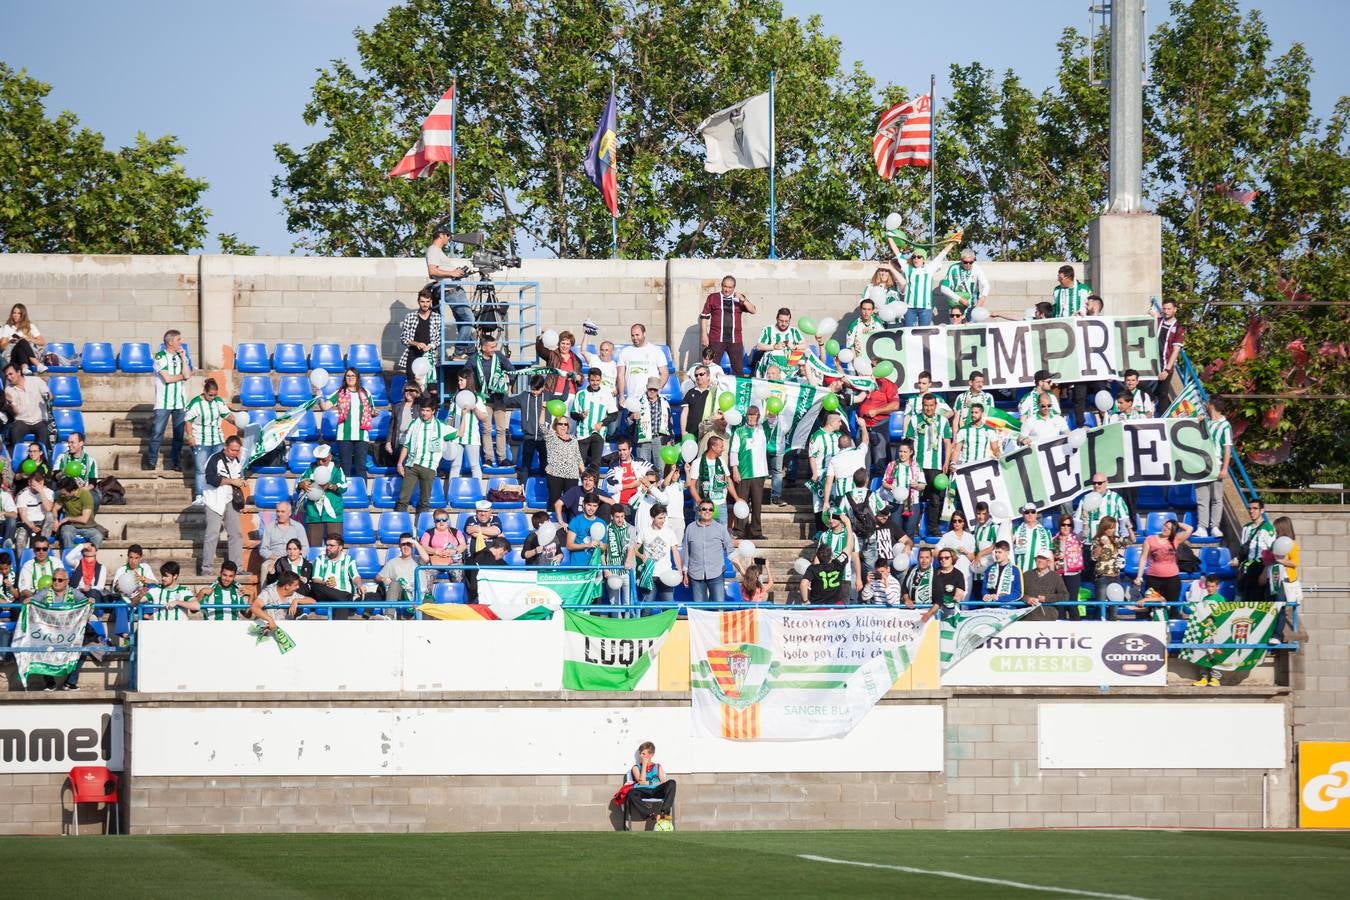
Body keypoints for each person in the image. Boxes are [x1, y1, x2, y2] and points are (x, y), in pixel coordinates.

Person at [28, 569, 91, 690]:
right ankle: (50, 683)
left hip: (69, 634)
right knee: (40, 648)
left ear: (66, 582)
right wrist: (30, 601)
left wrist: (90, 601)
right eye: (54, 579)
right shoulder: (46, 592)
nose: (56, 582)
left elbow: (85, 603)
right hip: (49, 634)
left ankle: (70, 682)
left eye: (60, 580)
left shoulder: (74, 592)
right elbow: (34, 601)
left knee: (84, 650)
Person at [183, 377, 240, 507]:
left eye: (215, 395)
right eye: (210, 395)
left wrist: (237, 421)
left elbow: (227, 416)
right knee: (201, 469)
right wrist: (190, 436)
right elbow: (188, 421)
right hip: (201, 441)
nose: (212, 397)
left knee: (220, 468)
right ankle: (199, 495)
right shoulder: (195, 403)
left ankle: (218, 493)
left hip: (217, 440)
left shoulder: (218, 402)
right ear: (204, 391)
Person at [903, 395, 952, 538]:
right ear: (922, 405)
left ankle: (933, 527)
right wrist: (909, 463)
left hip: (935, 465)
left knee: (935, 498)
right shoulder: (914, 419)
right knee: (913, 497)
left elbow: (947, 443)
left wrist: (946, 462)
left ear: (936, 405)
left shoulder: (943, 421)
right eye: (926, 405)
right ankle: (913, 528)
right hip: (918, 466)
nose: (928, 408)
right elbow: (909, 443)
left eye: (931, 405)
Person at [465, 334, 514, 468]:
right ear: (484, 347)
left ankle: (502, 458)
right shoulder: (474, 359)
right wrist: (473, 393)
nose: (494, 349)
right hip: (484, 399)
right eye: (491, 347)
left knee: (501, 429)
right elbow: (465, 375)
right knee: (486, 429)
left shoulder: (499, 356)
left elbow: (511, 371)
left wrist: (508, 386)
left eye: (495, 346)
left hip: (499, 399)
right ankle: (488, 459)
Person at [144, 329, 191, 471]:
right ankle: (151, 462)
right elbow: (168, 379)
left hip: (180, 402)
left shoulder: (181, 356)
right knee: (157, 433)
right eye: (178, 339)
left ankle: (175, 462)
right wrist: (182, 376)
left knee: (178, 436)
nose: (181, 342)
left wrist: (183, 358)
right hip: (163, 403)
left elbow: (188, 374)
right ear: (170, 342)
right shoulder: (159, 357)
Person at [397, 397, 453, 514]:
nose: (424, 413)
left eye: (427, 410)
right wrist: (399, 463)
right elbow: (406, 445)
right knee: (403, 499)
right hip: (412, 464)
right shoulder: (414, 423)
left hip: (429, 466)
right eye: (423, 410)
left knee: (425, 501)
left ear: (433, 411)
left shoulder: (441, 426)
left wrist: (464, 415)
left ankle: (422, 527)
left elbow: (459, 433)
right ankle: (400, 526)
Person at [424, 226, 473, 359]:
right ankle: (459, 353)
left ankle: (470, 351)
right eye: (448, 235)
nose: (449, 238)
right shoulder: (433, 250)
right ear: (441, 235)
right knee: (469, 319)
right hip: (450, 290)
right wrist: (452, 273)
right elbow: (432, 271)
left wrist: (455, 273)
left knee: (463, 322)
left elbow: (440, 271)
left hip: (453, 288)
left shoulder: (438, 251)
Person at [887, 237, 957, 327]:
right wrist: (890, 238)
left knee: (924, 333)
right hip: (909, 308)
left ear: (923, 259)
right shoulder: (908, 268)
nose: (916, 259)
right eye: (914, 257)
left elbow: (942, 255)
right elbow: (897, 252)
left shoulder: (929, 268)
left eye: (919, 257)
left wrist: (952, 243)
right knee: (909, 333)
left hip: (925, 308)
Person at [200, 435, 245, 578]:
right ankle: (206, 569)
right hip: (214, 501)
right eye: (232, 450)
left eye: (237, 450)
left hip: (230, 499)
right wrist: (233, 481)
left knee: (236, 534)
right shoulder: (215, 459)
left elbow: (238, 477)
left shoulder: (238, 460)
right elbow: (211, 479)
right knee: (211, 535)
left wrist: (240, 482)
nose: (235, 453)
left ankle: (237, 567)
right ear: (225, 447)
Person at [318, 367, 374, 480]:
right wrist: (319, 396)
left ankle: (361, 494)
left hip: (362, 435)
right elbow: (324, 407)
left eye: (353, 376)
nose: (350, 378)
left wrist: (374, 413)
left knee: (361, 468)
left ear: (357, 378)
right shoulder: (340, 393)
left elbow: (371, 410)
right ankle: (345, 494)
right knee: (345, 467)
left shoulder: (365, 392)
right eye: (348, 376)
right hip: (344, 436)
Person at [1137, 518, 1193, 618]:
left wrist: (1176, 523)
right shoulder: (1150, 539)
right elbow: (1143, 558)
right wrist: (1139, 577)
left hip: (1172, 580)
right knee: (1153, 608)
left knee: (1172, 608)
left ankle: (1172, 631)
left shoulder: (1175, 539)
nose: (1165, 529)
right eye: (1165, 526)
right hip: (1153, 578)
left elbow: (1189, 529)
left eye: (1169, 528)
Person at [700, 275, 756, 376]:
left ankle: (736, 391)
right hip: (716, 338)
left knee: (738, 370)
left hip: (735, 340)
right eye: (725, 286)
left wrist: (743, 299)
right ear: (721, 286)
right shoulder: (713, 297)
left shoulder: (739, 298)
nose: (727, 289)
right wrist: (704, 335)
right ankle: (711, 390)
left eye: (730, 287)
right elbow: (704, 316)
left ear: (734, 287)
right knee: (711, 368)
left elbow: (753, 310)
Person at [728, 406, 769, 540]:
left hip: (759, 473)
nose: (752, 417)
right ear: (746, 416)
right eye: (749, 415)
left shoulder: (763, 430)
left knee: (757, 504)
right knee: (741, 503)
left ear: (758, 416)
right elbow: (733, 451)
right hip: (744, 473)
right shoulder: (739, 431)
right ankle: (739, 530)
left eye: (754, 415)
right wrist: (735, 469)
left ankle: (756, 531)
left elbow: (774, 420)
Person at [681, 499, 733, 603]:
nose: (707, 511)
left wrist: (741, 568)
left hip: (716, 573)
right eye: (704, 509)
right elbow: (686, 551)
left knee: (719, 607)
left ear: (713, 512)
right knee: (700, 610)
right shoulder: (690, 528)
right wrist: (684, 573)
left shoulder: (721, 528)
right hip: (696, 574)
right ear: (699, 511)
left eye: (710, 509)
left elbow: (730, 550)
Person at [1196, 398, 1233, 538]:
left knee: (1217, 497)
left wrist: (1224, 468)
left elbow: (1227, 449)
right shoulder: (1205, 421)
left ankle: (1215, 526)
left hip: (1216, 464)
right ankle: (1202, 527)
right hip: (1201, 464)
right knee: (1202, 497)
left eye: (1207, 403)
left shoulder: (1225, 425)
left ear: (1212, 405)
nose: (1205, 405)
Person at [570, 367, 617, 471]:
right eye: (592, 380)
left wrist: (602, 423)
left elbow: (614, 414)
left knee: (595, 465)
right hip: (583, 433)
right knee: (580, 464)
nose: (595, 383)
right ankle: (579, 486)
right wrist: (580, 416)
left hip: (598, 433)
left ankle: (594, 487)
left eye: (597, 380)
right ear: (588, 379)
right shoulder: (580, 394)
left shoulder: (606, 394)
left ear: (600, 380)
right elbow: (573, 413)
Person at [506, 375, 551, 484]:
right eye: (532, 389)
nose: (534, 392)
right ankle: (524, 488)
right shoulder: (524, 396)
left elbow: (563, 397)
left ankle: (544, 488)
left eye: (537, 390)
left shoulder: (548, 396)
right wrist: (508, 385)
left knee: (544, 465)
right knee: (526, 465)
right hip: (529, 437)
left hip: (543, 438)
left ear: (543, 387)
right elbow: (506, 400)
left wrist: (568, 381)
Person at [634, 504, 681, 606]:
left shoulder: (669, 532)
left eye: (664, 518)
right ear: (652, 517)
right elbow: (634, 550)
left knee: (669, 606)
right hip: (650, 575)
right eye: (660, 518)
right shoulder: (644, 531)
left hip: (666, 575)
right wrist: (641, 556)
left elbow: (675, 552)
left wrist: (680, 570)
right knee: (646, 606)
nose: (663, 521)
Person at [624, 740, 677, 829]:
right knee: (631, 793)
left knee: (672, 782)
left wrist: (649, 783)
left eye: (644, 754)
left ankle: (664, 813)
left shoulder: (657, 766)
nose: (641, 756)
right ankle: (650, 814)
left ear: (651, 754)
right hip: (642, 791)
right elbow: (641, 782)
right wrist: (644, 765)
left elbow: (663, 782)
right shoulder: (636, 767)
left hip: (656, 790)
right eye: (641, 753)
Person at [310, 534, 364, 620]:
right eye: (327, 545)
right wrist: (325, 583)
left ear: (340, 547)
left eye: (331, 545)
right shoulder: (320, 559)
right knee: (315, 586)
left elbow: (356, 577)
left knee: (341, 603)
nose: (328, 548)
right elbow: (316, 579)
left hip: (341, 596)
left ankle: (344, 599)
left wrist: (359, 585)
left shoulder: (349, 560)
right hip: (327, 595)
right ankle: (347, 597)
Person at [397, 285, 443, 385]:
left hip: (430, 355)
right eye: (422, 301)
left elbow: (440, 338)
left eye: (427, 301)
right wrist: (416, 343)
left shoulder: (437, 317)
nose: (425, 304)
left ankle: (430, 400)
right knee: (412, 384)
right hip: (413, 354)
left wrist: (431, 346)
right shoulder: (410, 316)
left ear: (431, 302)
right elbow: (403, 337)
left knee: (432, 386)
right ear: (418, 302)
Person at [616, 324, 668, 410]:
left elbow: (664, 373)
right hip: (632, 399)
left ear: (644, 334)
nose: (635, 338)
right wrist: (621, 395)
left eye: (637, 335)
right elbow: (620, 375)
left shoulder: (655, 350)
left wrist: (657, 390)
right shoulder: (625, 352)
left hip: (651, 400)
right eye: (632, 335)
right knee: (632, 422)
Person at [856, 370, 899, 476]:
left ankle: (881, 490)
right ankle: (864, 490)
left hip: (879, 426)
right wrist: (838, 365)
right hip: (863, 426)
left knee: (880, 463)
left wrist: (877, 411)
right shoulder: (863, 381)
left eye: (874, 367)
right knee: (862, 464)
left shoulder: (888, 384)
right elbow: (847, 381)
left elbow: (895, 405)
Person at [882, 441, 926, 543]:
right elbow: (884, 483)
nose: (902, 454)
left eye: (905, 452)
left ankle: (907, 556)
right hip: (895, 503)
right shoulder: (892, 465)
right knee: (896, 532)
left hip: (912, 502)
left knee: (909, 532)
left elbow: (923, 485)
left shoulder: (916, 466)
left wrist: (917, 485)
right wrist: (891, 487)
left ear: (911, 452)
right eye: (900, 451)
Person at [376, 534, 429, 615]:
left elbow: (426, 558)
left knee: (429, 604)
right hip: (403, 594)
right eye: (403, 544)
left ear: (412, 545)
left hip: (420, 594)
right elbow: (378, 577)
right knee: (394, 584)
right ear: (399, 546)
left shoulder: (418, 560)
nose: (406, 547)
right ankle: (389, 616)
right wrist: (384, 579)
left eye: (408, 544)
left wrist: (415, 542)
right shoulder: (393, 562)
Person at [109, 545, 154, 640]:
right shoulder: (121, 570)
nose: (133, 561)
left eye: (136, 558)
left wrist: (144, 579)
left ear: (141, 558)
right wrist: (118, 588)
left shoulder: (145, 568)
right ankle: (124, 634)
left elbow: (156, 584)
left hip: (142, 600)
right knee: (119, 604)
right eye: (131, 557)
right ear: (127, 557)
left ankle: (146, 615)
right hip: (127, 600)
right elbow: (114, 591)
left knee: (152, 591)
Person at [543, 416, 586, 514]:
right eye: (560, 424)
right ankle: (553, 524)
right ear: (555, 425)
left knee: (570, 503)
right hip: (555, 474)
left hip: (572, 475)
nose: (563, 426)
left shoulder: (574, 439)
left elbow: (578, 457)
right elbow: (542, 426)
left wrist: (584, 473)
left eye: (565, 424)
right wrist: (542, 410)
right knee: (554, 500)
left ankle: (568, 525)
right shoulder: (551, 436)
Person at [4, 362, 52, 450]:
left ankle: (43, 459)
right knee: (15, 430)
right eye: (7, 376)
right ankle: (18, 458)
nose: (9, 377)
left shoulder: (36, 381)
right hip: (22, 421)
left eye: (11, 374)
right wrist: (10, 403)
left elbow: (49, 396)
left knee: (44, 431)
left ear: (19, 372)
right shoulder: (8, 390)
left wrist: (48, 396)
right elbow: (15, 413)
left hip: (39, 420)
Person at [1234, 498, 1275, 602]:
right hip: (1246, 568)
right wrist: (1237, 560)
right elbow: (1243, 549)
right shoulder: (1246, 528)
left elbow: (1272, 552)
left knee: (1257, 601)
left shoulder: (1268, 528)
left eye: (1255, 508)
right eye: (1250, 508)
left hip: (1259, 568)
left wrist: (1265, 573)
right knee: (1242, 600)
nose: (1251, 511)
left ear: (1262, 510)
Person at [1076, 473, 1134, 544]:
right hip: (1089, 543)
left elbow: (1124, 521)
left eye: (1099, 483)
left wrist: (1123, 538)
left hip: (1110, 543)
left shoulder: (1116, 498)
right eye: (1094, 483)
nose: (1096, 485)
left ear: (1106, 482)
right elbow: (1077, 522)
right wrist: (1077, 541)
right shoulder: (1085, 499)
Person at [1269, 515, 1301, 641]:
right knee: (1271, 606)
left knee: (1280, 605)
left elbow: (1295, 563)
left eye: (1277, 529)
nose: (1276, 532)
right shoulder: (1276, 543)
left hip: (1285, 581)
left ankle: (1277, 635)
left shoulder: (1292, 545)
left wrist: (1281, 561)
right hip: (1274, 578)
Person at [1089, 516, 1128, 620]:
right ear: (1103, 528)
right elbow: (1094, 557)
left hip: (1116, 576)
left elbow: (1131, 540)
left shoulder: (1116, 540)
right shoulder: (1097, 540)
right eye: (1109, 528)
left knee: (1114, 608)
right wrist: (1102, 545)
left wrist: (1129, 528)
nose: (1112, 530)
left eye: (1113, 527)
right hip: (1103, 578)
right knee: (1100, 606)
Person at [259, 501, 307, 581]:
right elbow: (263, 549)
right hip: (274, 559)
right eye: (278, 511)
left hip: (293, 558)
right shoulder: (270, 527)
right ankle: (265, 592)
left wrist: (295, 558)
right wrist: (275, 558)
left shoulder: (298, 527)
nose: (279, 514)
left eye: (282, 512)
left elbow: (305, 548)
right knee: (265, 567)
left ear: (289, 513)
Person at [631, 377, 672, 472]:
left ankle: (661, 486)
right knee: (643, 469)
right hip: (643, 440)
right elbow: (627, 422)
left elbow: (670, 422)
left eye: (655, 389)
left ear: (658, 390)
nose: (652, 391)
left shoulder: (665, 402)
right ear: (646, 388)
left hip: (660, 439)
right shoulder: (638, 401)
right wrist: (632, 417)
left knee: (661, 468)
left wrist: (670, 439)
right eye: (650, 389)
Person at [1051, 513, 1086, 619]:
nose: (1066, 527)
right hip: (1059, 574)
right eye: (1063, 524)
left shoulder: (1076, 538)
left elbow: (1085, 534)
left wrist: (1085, 521)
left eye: (1068, 525)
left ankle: (1076, 624)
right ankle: (1060, 624)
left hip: (1073, 573)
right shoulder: (1054, 539)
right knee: (1060, 601)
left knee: (1072, 601)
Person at [53, 432, 100, 506]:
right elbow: (55, 477)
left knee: (95, 499)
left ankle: (88, 517)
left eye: (72, 442)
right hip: (64, 489)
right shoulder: (61, 457)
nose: (69, 445)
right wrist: (63, 472)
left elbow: (93, 483)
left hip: (83, 489)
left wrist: (81, 490)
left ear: (81, 443)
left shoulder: (91, 460)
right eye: (68, 442)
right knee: (54, 495)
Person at [939, 248, 992, 315]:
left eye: (971, 262)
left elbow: (986, 285)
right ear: (961, 260)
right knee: (956, 325)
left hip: (972, 306)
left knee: (972, 325)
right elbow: (943, 288)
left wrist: (982, 298)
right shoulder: (953, 268)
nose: (968, 264)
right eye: (965, 262)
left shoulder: (977, 268)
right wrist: (960, 299)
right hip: (956, 307)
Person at [535, 329, 586, 397]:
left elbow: (580, 380)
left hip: (571, 394)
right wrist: (541, 336)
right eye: (563, 343)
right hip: (553, 392)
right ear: (559, 343)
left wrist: (579, 378)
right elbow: (540, 349)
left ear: (571, 345)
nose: (565, 346)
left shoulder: (577, 360)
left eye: (568, 344)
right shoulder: (552, 355)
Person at [55, 477, 102, 549]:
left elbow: (84, 519)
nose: (62, 496)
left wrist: (68, 518)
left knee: (98, 536)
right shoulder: (62, 496)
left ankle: (89, 556)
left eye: (64, 494)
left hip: (87, 526)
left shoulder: (85, 495)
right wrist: (55, 520)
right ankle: (69, 555)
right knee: (67, 534)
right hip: (70, 526)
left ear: (73, 490)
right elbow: (54, 509)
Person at [420, 510, 468, 580]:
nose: (441, 522)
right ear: (434, 521)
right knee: (426, 576)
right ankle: (426, 591)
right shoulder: (428, 533)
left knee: (458, 574)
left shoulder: (456, 532)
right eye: (438, 520)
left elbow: (463, 545)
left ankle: (458, 590)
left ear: (448, 521)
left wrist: (455, 551)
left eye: (444, 519)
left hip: (453, 562)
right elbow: (423, 547)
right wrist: (436, 551)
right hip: (435, 563)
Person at [14, 469, 53, 554]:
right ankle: (21, 560)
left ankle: (44, 542)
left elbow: (48, 509)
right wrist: (31, 526)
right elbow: (23, 516)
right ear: (29, 483)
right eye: (36, 483)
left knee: (50, 515)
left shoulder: (48, 492)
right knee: (20, 537)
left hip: (43, 522)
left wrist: (41, 492)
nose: (38, 486)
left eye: (40, 483)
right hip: (28, 522)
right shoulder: (22, 495)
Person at [936, 511, 976, 594]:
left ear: (963, 522)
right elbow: (936, 552)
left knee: (965, 599)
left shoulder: (970, 537)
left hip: (966, 571)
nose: (957, 523)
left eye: (959, 521)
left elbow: (973, 558)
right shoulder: (947, 536)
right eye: (954, 521)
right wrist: (949, 553)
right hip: (952, 572)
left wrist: (966, 552)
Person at [0, 302, 46, 374]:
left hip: (27, 355)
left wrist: (30, 339)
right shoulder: (7, 327)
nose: (16, 315)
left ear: (23, 315)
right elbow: (2, 346)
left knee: (22, 342)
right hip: (13, 355)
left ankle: (24, 367)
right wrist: (10, 341)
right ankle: (38, 364)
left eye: (19, 313)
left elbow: (42, 342)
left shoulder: (30, 326)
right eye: (14, 313)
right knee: (21, 342)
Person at [386, 383, 424, 470]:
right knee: (403, 466)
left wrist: (420, 391)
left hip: (415, 441)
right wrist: (388, 442)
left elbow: (430, 401)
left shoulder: (420, 406)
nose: (408, 392)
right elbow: (392, 426)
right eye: (406, 390)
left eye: (411, 390)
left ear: (417, 393)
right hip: (401, 441)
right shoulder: (397, 407)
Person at [1021, 549, 1067, 620]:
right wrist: (1027, 599)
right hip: (1027, 616)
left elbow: (1065, 595)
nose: (1039, 560)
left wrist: (1046, 598)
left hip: (1048, 617)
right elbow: (1019, 593)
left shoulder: (1056, 577)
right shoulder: (1026, 575)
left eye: (1043, 559)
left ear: (1049, 562)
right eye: (1038, 558)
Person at [950, 403, 1000, 468]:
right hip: (967, 467)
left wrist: (1000, 457)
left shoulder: (990, 431)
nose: (973, 415)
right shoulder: (963, 430)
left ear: (982, 414)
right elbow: (957, 450)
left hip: (984, 467)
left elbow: (995, 449)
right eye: (972, 412)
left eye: (976, 412)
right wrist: (953, 463)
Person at [923, 549, 967, 622]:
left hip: (949, 609)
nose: (943, 560)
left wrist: (956, 598)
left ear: (952, 558)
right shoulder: (934, 573)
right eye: (941, 558)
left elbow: (959, 592)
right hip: (933, 607)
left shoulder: (958, 574)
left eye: (946, 558)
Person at [1156, 298, 1185, 406]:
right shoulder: (1158, 321)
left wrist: (1167, 370)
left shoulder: (1178, 328)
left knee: (1163, 394)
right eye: (1164, 308)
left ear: (1175, 310)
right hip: (1152, 364)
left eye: (1169, 309)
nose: (1166, 311)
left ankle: (1163, 419)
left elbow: (1175, 351)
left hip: (1165, 367)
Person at [464, 536, 509, 604]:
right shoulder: (487, 558)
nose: (503, 556)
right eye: (505, 553)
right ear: (501, 550)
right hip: (482, 596)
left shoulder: (476, 555)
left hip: (474, 593)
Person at [980, 542, 1024, 607]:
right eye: (996, 552)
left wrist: (1000, 598)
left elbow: (1019, 593)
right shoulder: (989, 569)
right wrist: (986, 595)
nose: (997, 555)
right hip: (990, 607)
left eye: (1000, 552)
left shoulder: (1015, 570)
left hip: (1007, 607)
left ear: (1007, 553)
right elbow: (984, 588)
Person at [1011, 504, 1052, 572]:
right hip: (1022, 572)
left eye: (1032, 512)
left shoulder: (1046, 531)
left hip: (1041, 572)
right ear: (1023, 514)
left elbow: (1050, 555)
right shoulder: (1016, 530)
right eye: (1027, 512)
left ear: (1036, 514)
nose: (1030, 514)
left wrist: (1052, 574)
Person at [845, 291, 886, 356]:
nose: (866, 312)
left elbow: (883, 341)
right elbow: (850, 347)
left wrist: (870, 333)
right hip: (859, 359)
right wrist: (856, 362)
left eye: (869, 309)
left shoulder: (878, 323)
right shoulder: (854, 325)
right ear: (860, 310)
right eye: (864, 309)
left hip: (875, 358)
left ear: (872, 311)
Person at [679, 365, 715, 438]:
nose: (698, 377)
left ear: (708, 376)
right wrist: (683, 432)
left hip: (708, 434)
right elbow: (684, 413)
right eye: (696, 375)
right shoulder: (690, 392)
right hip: (690, 434)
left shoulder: (714, 392)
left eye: (701, 374)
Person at [901, 546, 936, 610]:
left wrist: (929, 614)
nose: (924, 561)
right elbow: (904, 587)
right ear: (917, 558)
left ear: (931, 559)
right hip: (910, 610)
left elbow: (938, 599)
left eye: (927, 557)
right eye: (921, 557)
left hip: (927, 611)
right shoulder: (912, 569)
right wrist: (907, 599)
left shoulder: (935, 574)